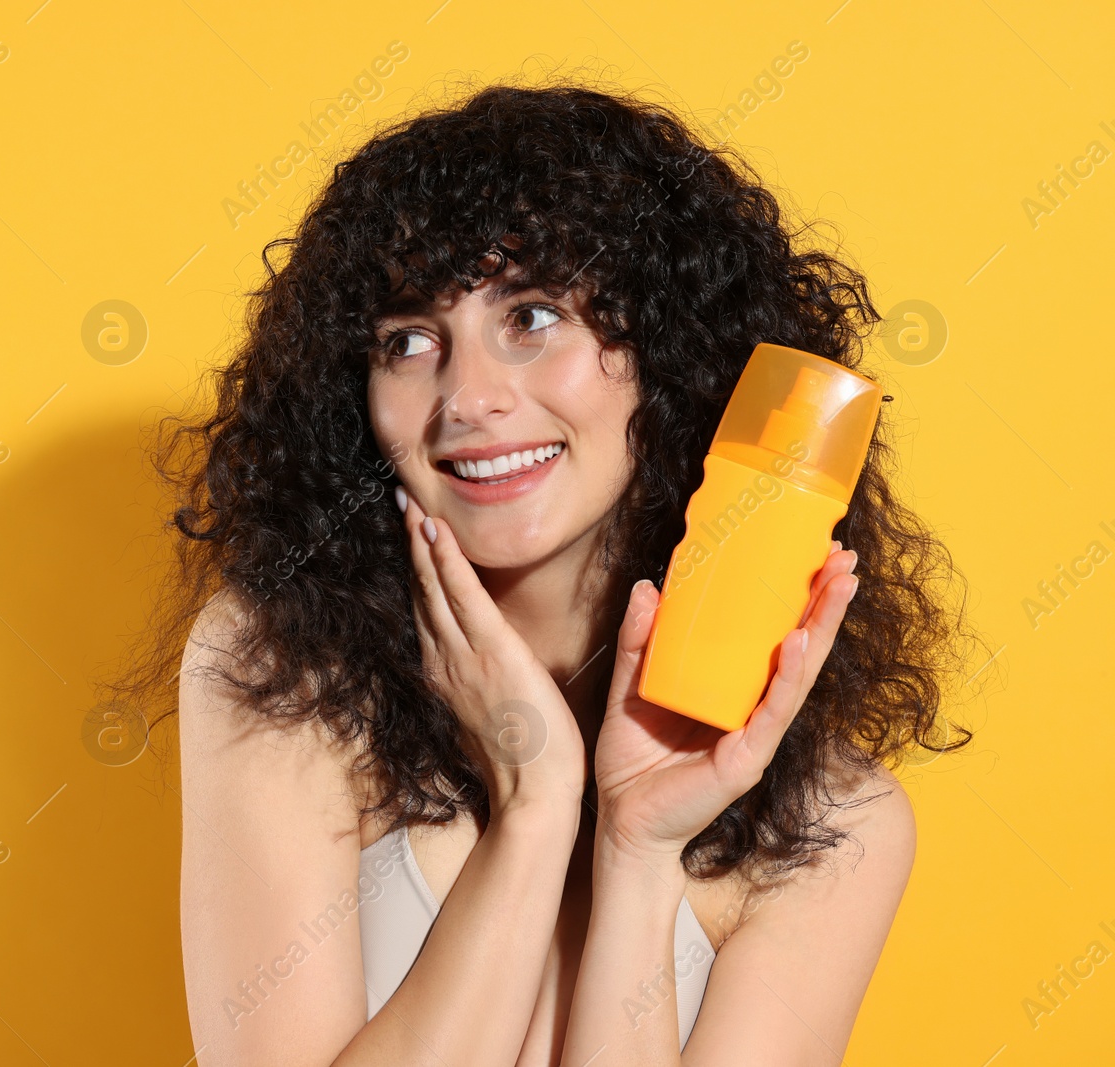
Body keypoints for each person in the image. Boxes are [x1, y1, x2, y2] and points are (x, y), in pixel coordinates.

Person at [114, 79, 984, 1066]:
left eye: (531, 317)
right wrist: (534, 799)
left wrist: (637, 850)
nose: (466, 397)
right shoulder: (283, 675)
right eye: (408, 340)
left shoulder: (834, 828)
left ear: (670, 352)